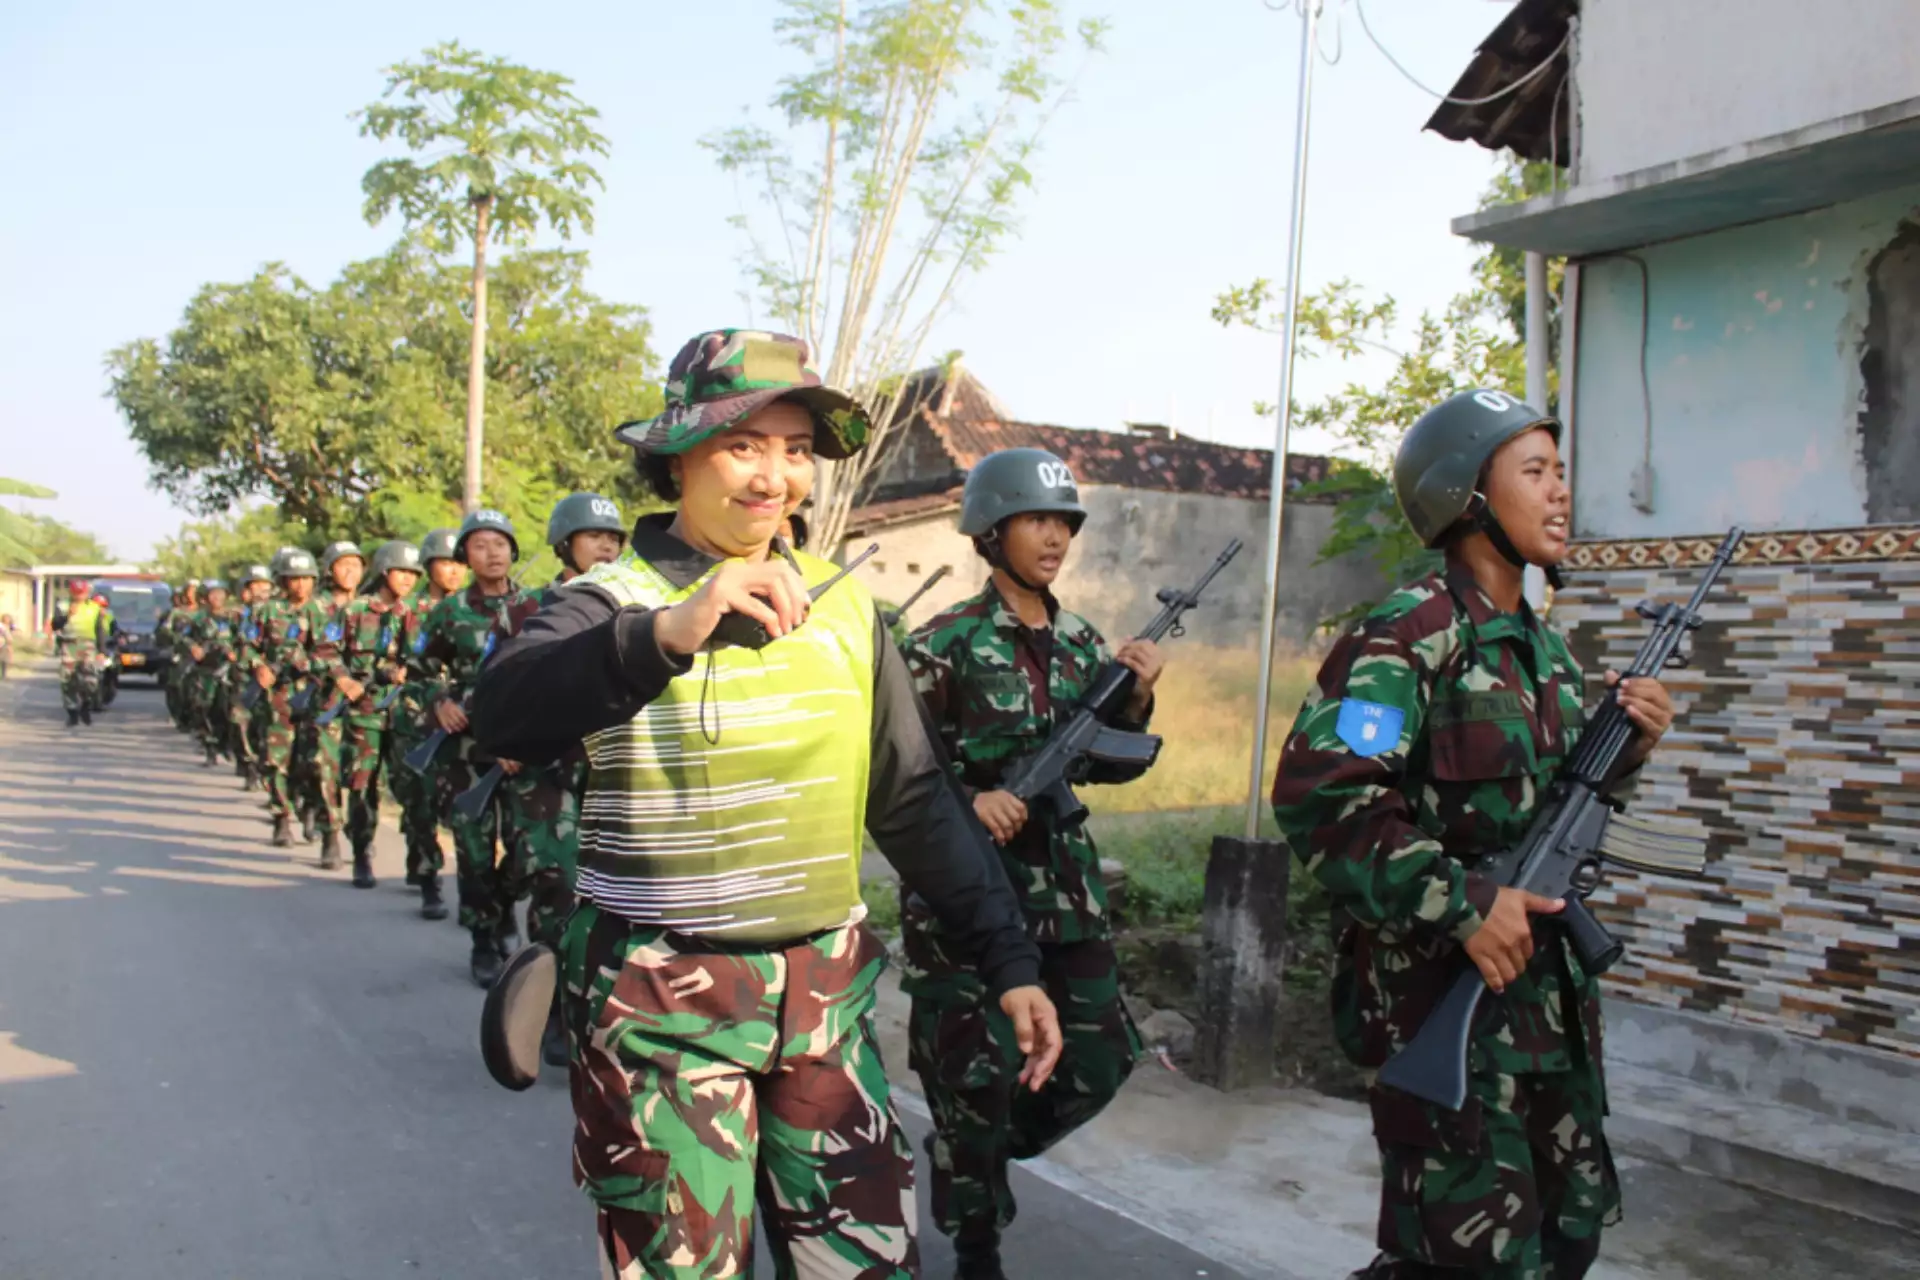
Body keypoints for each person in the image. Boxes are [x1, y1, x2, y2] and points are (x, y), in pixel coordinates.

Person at [472, 327, 1062, 1279]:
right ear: (678, 457)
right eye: (743, 445)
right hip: (661, 1010)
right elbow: (504, 712)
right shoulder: (607, 599)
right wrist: (664, 632)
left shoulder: (843, 610)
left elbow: (913, 798)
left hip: (825, 1009)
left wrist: (1008, 957)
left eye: (795, 451)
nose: (773, 477)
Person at [1271, 390, 1677, 1280]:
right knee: (1469, 1260)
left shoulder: (1550, 656)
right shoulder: (1406, 638)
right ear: (1468, 495)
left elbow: (1557, 810)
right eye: (1534, 472)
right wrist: (1463, 904)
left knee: (1567, 1238)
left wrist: (1629, 749)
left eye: (1561, 472)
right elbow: (1324, 797)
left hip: (1548, 1015)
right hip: (1443, 1005)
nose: (1561, 493)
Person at [899, 448, 1161, 1278]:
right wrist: (969, 802)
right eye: (1036, 520)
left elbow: (1110, 763)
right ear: (992, 529)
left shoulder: (1084, 643)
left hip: (1067, 897)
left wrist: (1141, 696)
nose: (1054, 538)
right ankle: (977, 1238)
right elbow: (899, 774)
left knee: (1103, 1057)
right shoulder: (943, 643)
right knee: (975, 1078)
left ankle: (970, 1157)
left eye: (1064, 523)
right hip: (969, 902)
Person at [497, 490, 629, 1066]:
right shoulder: (527, 610)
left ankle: (600, 1010)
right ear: (564, 545)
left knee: (612, 898)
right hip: (546, 775)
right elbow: (497, 687)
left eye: (612, 538)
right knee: (556, 888)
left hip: (612, 773)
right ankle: (551, 1012)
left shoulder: (637, 603)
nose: (605, 545)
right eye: (592, 536)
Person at [416, 510, 533, 985]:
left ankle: (503, 904)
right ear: (465, 554)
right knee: (474, 851)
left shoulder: (536, 607)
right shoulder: (448, 612)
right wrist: (439, 701)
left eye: (500, 544)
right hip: (465, 752)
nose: (492, 553)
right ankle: (483, 939)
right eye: (480, 545)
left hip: (522, 748)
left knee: (530, 853)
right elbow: (418, 669)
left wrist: (526, 734)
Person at [335, 541, 423, 890]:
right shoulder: (353, 610)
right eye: (401, 571)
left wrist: (408, 672)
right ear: (385, 572)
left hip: (404, 712)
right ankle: (361, 855)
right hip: (364, 712)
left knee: (412, 786)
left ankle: (420, 861)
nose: (407, 579)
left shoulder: (417, 613)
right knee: (362, 785)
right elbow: (328, 651)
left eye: (413, 574)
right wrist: (344, 680)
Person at [390, 528, 464, 907]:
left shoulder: (477, 607)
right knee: (419, 799)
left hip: (466, 720)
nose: (453, 571)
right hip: (419, 719)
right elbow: (406, 667)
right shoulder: (409, 613)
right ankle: (428, 874)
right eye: (445, 562)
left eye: (458, 562)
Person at [253, 550, 329, 850]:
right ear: (283, 581)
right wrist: (257, 666)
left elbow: (335, 651)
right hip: (279, 695)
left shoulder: (325, 611)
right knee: (277, 760)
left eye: (305, 579)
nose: (300, 585)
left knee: (313, 759)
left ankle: (311, 808)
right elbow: (249, 645)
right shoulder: (267, 611)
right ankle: (281, 817)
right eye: (293, 579)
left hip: (313, 694)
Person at [229, 565, 275, 789]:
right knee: (243, 723)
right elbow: (244, 644)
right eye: (255, 585)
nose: (261, 590)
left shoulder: (279, 610)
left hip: (277, 681)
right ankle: (249, 765)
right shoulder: (243, 615)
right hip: (248, 677)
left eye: (264, 585)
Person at [185, 580, 235, 766]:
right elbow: (185, 637)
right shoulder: (199, 619)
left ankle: (227, 744)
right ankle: (210, 748)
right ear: (205, 598)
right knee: (203, 707)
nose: (217, 598)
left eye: (221, 593)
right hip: (205, 671)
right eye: (213, 594)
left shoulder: (233, 618)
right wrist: (193, 647)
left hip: (228, 671)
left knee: (227, 709)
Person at [50, 579, 109, 727]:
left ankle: (86, 704)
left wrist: (102, 651)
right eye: (76, 593)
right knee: (68, 680)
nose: (79, 596)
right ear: (71, 592)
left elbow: (100, 630)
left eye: (82, 593)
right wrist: (67, 615)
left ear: (87, 592)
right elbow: (54, 625)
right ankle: (72, 713)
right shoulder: (62, 606)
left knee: (91, 681)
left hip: (88, 646)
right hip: (69, 645)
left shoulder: (95, 607)